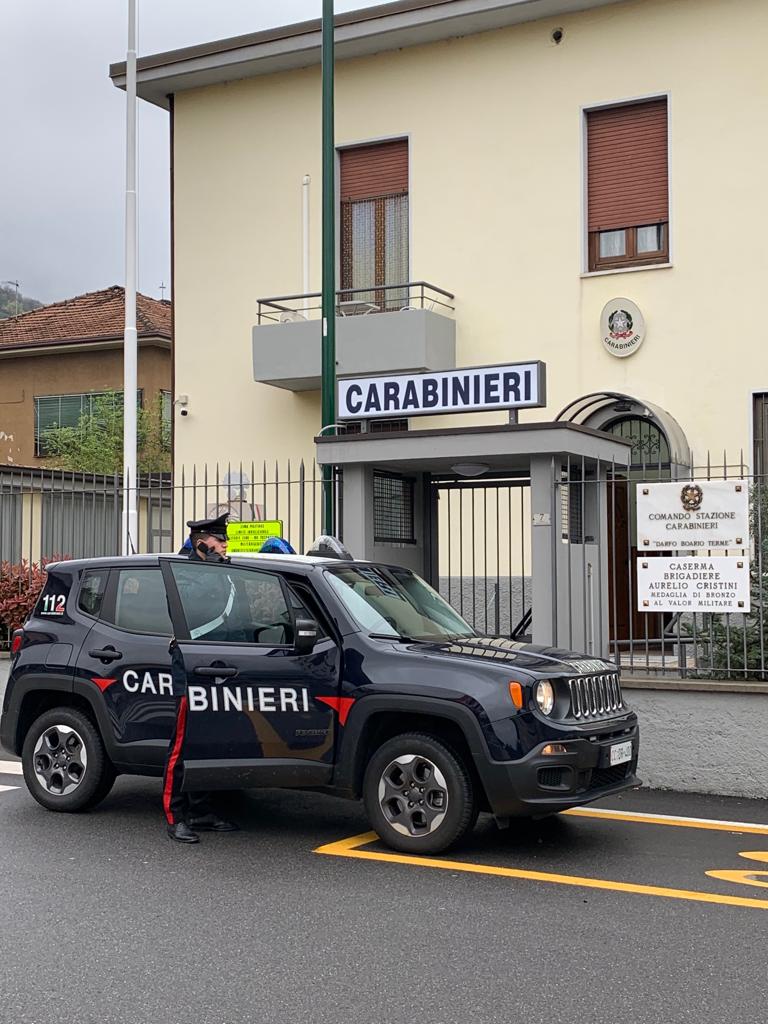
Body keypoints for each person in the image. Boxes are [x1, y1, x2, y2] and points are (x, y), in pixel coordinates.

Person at [163, 513, 240, 844]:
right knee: (181, 745)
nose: (225, 545)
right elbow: (191, 610)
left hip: (215, 667)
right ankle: (175, 815)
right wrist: (214, 569)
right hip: (190, 668)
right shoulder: (185, 575)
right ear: (201, 543)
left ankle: (202, 809)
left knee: (209, 741)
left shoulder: (215, 571)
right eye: (219, 540)